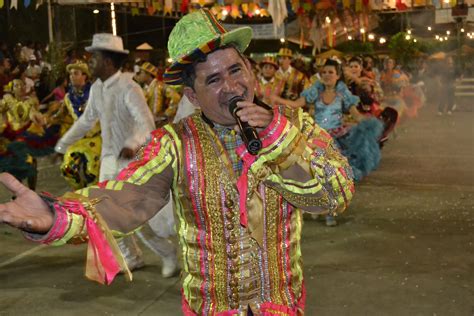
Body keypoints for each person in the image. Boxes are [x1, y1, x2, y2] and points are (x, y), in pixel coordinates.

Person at [0, 10, 354, 315]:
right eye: (213, 80)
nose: (232, 86)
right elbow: (126, 201)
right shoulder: (175, 143)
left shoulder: (294, 124)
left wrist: (279, 139)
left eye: (236, 70)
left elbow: (332, 197)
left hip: (283, 305)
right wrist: (56, 215)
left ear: (250, 68)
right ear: (192, 95)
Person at [53, 34, 178, 276]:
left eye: (94, 58)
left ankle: (166, 252)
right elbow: (86, 121)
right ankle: (131, 257)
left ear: (108, 62)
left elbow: (146, 122)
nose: (90, 63)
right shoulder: (97, 88)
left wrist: (132, 143)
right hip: (108, 162)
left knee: (137, 220)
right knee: (107, 216)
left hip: (132, 162)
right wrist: (62, 145)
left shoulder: (128, 87)